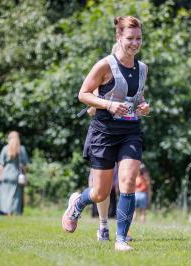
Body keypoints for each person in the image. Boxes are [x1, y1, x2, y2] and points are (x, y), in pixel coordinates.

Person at [62, 15, 150, 252]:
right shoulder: (105, 65)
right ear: (119, 37)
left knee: (128, 182)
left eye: (138, 38)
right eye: (130, 38)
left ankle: (121, 239)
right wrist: (109, 105)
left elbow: (137, 97)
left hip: (130, 131)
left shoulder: (142, 68)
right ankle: (77, 202)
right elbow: (84, 94)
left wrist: (143, 106)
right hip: (104, 132)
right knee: (100, 193)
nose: (135, 43)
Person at [0, 131, 29, 215]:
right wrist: (25, 176)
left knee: (5, 195)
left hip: (5, 175)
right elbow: (24, 166)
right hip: (16, 176)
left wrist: (0, 175)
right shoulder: (21, 149)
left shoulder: (5, 148)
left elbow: (1, 164)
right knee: (15, 197)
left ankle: (6, 212)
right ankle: (14, 212)